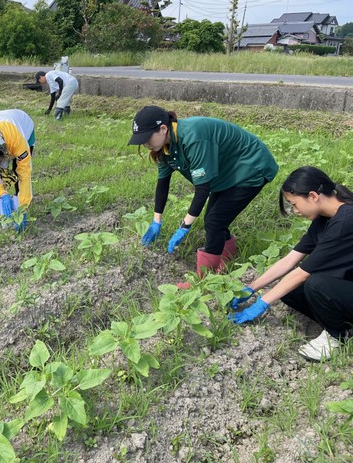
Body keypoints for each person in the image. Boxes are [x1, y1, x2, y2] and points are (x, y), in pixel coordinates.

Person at [128, 105, 279, 287]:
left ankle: (204, 280)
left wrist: (184, 226)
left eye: (146, 139)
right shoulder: (165, 149)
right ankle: (226, 256)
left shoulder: (193, 137)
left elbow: (202, 190)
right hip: (227, 171)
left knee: (214, 220)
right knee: (215, 218)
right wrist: (156, 221)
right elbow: (163, 184)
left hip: (251, 166)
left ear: (163, 129)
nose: (145, 144)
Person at [230, 166, 353, 361]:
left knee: (315, 283)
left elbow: (303, 272)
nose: (294, 211)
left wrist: (262, 304)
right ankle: (344, 324)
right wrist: (251, 289)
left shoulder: (346, 221)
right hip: (346, 287)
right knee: (289, 290)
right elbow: (290, 259)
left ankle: (336, 336)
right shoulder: (324, 219)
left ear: (313, 196)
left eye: (294, 204)